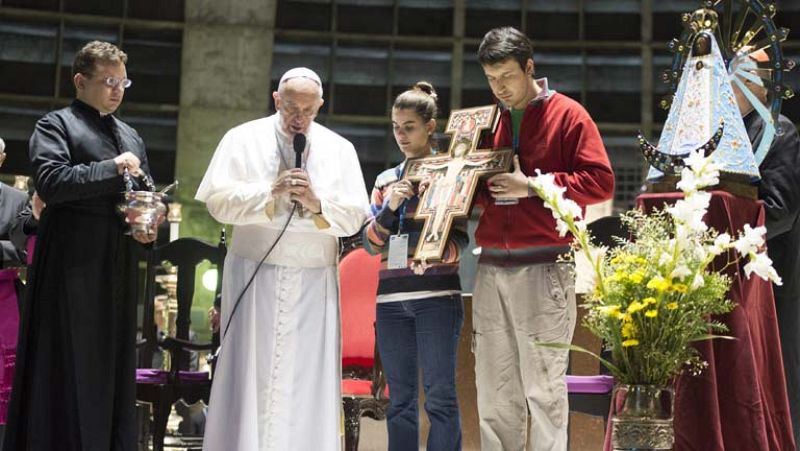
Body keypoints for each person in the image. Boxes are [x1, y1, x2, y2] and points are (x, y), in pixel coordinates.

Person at [195, 67, 369, 451]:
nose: (299, 117)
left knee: (306, 379)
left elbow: (355, 215)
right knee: (249, 374)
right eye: (291, 107)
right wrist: (269, 193)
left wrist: (317, 202)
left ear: (320, 106)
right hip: (254, 275)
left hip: (313, 281)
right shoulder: (241, 138)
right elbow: (217, 202)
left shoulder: (340, 149)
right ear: (276, 99)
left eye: (308, 110)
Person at [2, 40, 156, 451]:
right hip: (70, 264)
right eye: (108, 81)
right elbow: (52, 182)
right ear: (80, 81)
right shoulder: (55, 125)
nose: (117, 89)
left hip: (116, 261)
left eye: (123, 81)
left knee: (112, 364)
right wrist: (112, 167)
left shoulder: (130, 135)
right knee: (66, 363)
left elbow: (140, 196)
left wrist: (146, 226)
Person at [471, 27, 615, 450]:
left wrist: (531, 186)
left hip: (545, 267)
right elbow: (477, 189)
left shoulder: (569, 114)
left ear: (529, 67)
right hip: (490, 267)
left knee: (544, 390)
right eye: (491, 79)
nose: (499, 88)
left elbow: (600, 182)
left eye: (507, 77)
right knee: (494, 393)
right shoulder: (486, 121)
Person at [362, 82, 466, 451]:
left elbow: (460, 241)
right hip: (391, 302)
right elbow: (370, 243)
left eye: (410, 127)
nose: (401, 135)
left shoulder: (453, 172)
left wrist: (433, 255)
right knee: (400, 401)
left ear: (430, 126)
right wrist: (390, 207)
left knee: (440, 398)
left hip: (437, 297)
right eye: (395, 126)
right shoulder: (385, 180)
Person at [732, 49, 800, 448]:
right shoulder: (719, 132)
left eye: (745, 75)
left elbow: (780, 210)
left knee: (778, 379)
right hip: (729, 278)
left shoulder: (780, 132)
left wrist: (725, 217)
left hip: (771, 281)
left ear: (761, 83)